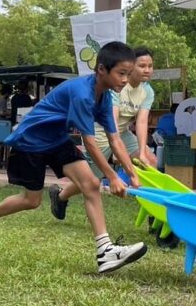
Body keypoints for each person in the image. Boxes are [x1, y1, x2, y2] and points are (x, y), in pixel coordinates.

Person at [0, 41, 147, 275]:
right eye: (121, 73)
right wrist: (112, 177)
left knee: (90, 184)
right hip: (30, 141)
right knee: (31, 201)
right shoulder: (83, 94)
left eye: (128, 74)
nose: (125, 80)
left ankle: (105, 252)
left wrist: (132, 175)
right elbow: (90, 142)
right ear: (102, 69)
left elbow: (115, 140)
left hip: (56, 140)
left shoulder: (104, 98)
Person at [50, 47, 157, 220]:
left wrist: (143, 152)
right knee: (93, 179)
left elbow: (142, 121)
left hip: (122, 133)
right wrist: (118, 151)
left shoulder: (147, 91)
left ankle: (154, 211)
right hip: (100, 132)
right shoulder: (117, 85)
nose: (147, 70)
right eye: (142, 66)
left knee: (150, 161)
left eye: (150, 66)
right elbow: (111, 122)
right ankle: (60, 196)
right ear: (131, 66)